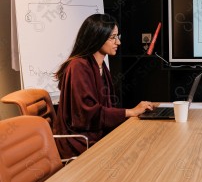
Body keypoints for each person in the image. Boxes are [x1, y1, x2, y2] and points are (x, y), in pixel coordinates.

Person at [53, 13, 154, 159]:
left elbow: (105, 108)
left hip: (96, 133)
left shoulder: (100, 65)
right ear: (97, 38)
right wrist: (130, 112)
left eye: (118, 36)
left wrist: (133, 112)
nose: (118, 42)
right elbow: (88, 115)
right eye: (112, 37)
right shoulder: (79, 67)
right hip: (81, 141)